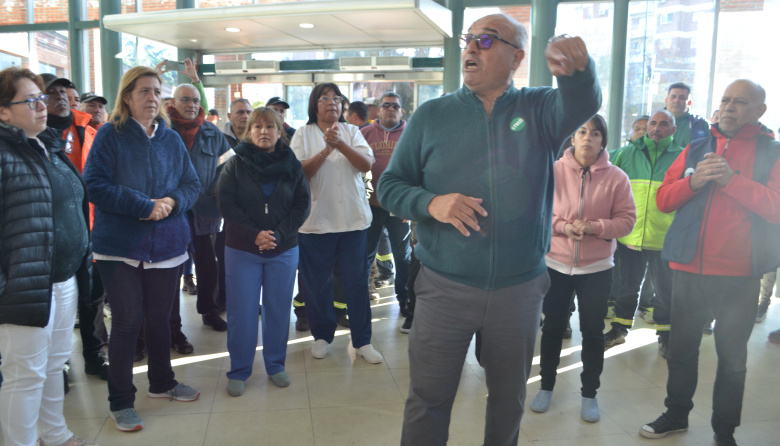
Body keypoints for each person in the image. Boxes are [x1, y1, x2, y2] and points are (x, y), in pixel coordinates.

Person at [378, 13, 601, 445]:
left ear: (516, 57)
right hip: (443, 288)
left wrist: (577, 70)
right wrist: (430, 203)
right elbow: (389, 186)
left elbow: (581, 102)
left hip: (518, 291)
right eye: (468, 39)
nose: (470, 49)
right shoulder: (432, 115)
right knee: (428, 398)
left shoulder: (538, 110)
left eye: (485, 40)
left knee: (508, 399)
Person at [641, 79, 779, 446]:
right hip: (688, 270)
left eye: (741, 102)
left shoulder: (772, 152)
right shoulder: (696, 147)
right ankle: (676, 413)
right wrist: (694, 183)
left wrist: (732, 181)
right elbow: (664, 200)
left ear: (759, 111)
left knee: (732, 361)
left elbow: (776, 207)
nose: (730, 107)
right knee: (681, 350)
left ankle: (724, 431)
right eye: (725, 99)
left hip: (739, 276)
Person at [82, 66, 201, 433]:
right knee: (128, 323)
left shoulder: (170, 138)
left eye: (156, 91)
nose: (152, 98)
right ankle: (121, 400)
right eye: (144, 91)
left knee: (161, 320)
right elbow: (95, 185)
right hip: (119, 247)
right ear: (127, 97)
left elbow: (191, 184)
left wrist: (171, 202)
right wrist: (143, 205)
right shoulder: (109, 135)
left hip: (167, 244)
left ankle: (162, 383)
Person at [0, 67, 96, 446]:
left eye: (42, 98)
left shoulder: (47, 147)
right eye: (31, 101)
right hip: (25, 286)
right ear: (4, 112)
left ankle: (54, 434)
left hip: (63, 278)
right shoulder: (5, 155)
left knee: (55, 366)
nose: (43, 106)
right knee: (25, 376)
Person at [530, 115, 636, 423]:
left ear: (603, 140)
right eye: (581, 131)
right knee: (551, 328)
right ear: (572, 138)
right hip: (556, 265)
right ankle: (545, 387)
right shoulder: (553, 171)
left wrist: (595, 227)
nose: (588, 137)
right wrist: (564, 227)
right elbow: (538, 212)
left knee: (592, 332)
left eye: (595, 133)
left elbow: (627, 220)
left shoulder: (617, 177)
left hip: (597, 268)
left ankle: (590, 394)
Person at [217, 107, 310, 395]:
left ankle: (275, 365)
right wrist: (254, 234)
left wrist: (279, 235)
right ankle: (239, 369)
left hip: (283, 250)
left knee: (278, 311)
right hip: (242, 249)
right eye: (257, 127)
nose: (264, 132)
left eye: (270, 126)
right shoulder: (235, 162)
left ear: (279, 131)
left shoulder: (292, 164)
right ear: (249, 131)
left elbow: (301, 205)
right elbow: (226, 203)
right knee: (241, 312)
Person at [290, 82, 383, 364]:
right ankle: (321, 336)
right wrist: (326, 151)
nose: (332, 102)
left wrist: (340, 143)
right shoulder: (303, 134)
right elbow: (299, 172)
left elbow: (367, 164)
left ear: (343, 105)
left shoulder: (353, 131)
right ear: (314, 105)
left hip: (353, 222)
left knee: (356, 283)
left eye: (337, 98)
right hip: (317, 223)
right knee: (317, 284)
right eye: (324, 98)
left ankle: (363, 341)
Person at [40, 73, 107, 380]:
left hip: (90, 229)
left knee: (92, 298)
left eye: (63, 91)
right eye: (50, 93)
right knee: (55, 307)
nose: (61, 97)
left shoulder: (87, 129)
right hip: (50, 239)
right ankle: (59, 365)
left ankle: (95, 356)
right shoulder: (28, 140)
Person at [605, 110, 682, 357]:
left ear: (673, 129)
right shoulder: (626, 154)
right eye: (653, 123)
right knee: (627, 287)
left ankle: (666, 336)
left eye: (663, 124)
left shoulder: (682, 158)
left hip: (665, 239)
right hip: (631, 237)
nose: (656, 128)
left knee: (664, 291)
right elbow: (602, 173)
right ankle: (619, 329)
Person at [167, 83, 231, 335]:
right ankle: (172, 325)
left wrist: (214, 192)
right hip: (172, 210)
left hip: (204, 209)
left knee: (208, 264)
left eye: (195, 100)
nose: (191, 105)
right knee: (171, 266)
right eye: (185, 100)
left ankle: (209, 311)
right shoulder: (162, 129)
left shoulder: (212, 133)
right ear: (173, 102)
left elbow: (227, 166)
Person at [362, 91, 412, 320]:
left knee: (403, 257)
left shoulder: (411, 133)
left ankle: (405, 299)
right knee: (365, 255)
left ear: (401, 111)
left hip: (399, 208)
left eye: (395, 106)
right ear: (378, 110)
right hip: (370, 206)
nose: (390, 109)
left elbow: (417, 168)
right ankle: (360, 298)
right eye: (386, 105)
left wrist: (410, 206)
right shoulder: (364, 133)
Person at [664, 82, 709, 148]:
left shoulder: (700, 125)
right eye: (673, 97)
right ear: (666, 100)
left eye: (682, 98)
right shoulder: (653, 122)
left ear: (690, 102)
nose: (676, 100)